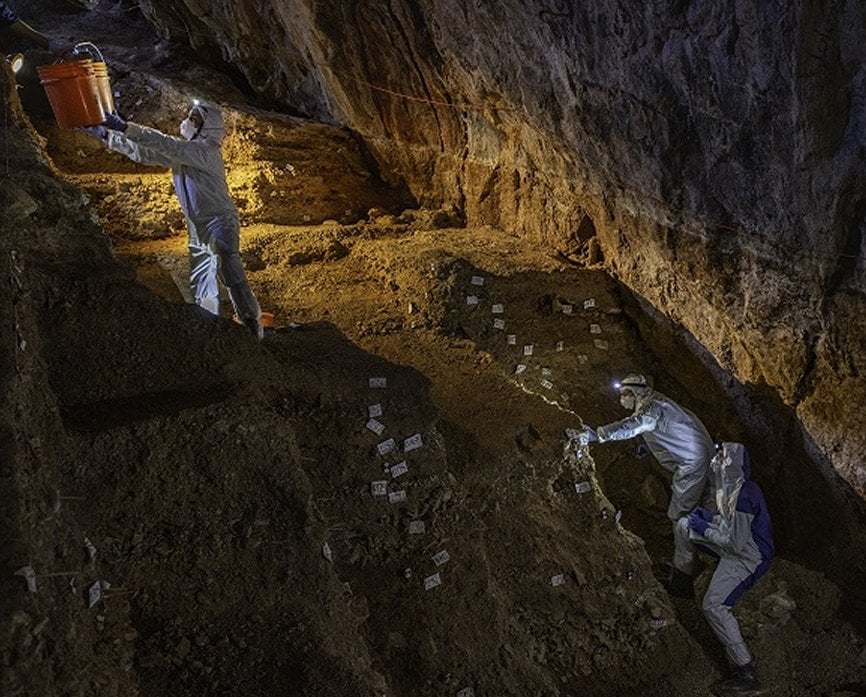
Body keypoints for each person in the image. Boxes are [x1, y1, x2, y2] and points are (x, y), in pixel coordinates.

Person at [85, 103, 264, 339]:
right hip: (198, 224)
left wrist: (125, 127)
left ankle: (251, 323)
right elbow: (146, 153)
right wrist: (109, 136)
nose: (188, 121)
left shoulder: (205, 151)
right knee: (201, 278)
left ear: (206, 128)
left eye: (194, 119)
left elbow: (163, 143)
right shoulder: (187, 152)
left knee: (231, 270)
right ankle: (209, 327)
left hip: (219, 221)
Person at [570, 373, 715, 597]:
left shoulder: (650, 406)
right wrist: (650, 447)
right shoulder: (657, 401)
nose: (621, 400)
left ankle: (683, 580)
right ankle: (687, 564)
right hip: (696, 458)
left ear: (631, 392)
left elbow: (635, 424)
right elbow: (667, 428)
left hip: (692, 465)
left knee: (680, 518)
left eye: (623, 395)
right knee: (690, 515)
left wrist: (597, 435)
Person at [678, 442, 773, 696]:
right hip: (737, 545)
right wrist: (710, 521)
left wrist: (707, 528)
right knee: (685, 526)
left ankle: (746, 672)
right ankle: (681, 580)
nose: (717, 460)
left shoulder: (744, 494)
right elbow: (730, 526)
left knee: (714, 606)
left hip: (749, 557)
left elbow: (735, 542)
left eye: (722, 457)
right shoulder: (732, 487)